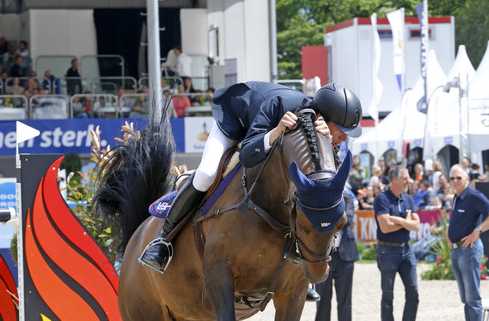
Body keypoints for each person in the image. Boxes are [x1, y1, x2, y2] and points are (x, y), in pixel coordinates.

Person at [139, 81, 363, 273]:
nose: (343, 138)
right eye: (341, 131)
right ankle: (162, 241)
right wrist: (275, 131)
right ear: (323, 117)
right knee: (207, 173)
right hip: (235, 123)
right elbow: (247, 155)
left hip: (259, 129)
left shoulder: (317, 127)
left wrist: (327, 144)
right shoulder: (279, 104)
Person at [447, 164, 489, 321]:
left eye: (458, 178)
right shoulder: (458, 197)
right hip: (457, 250)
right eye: (452, 178)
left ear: (466, 179)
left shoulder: (473, 195)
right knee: (466, 296)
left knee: (472, 296)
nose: (455, 181)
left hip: (468, 250)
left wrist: (477, 231)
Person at [302, 185, 358, 321]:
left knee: (344, 301)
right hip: (324, 255)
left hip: (344, 255)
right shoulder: (321, 198)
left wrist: (325, 219)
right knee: (322, 300)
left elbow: (346, 219)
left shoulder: (348, 196)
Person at [373, 165, 423, 321]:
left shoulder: (408, 199)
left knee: (413, 293)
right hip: (387, 251)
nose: (408, 181)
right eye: (405, 178)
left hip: (406, 250)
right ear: (394, 180)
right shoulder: (382, 199)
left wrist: (398, 220)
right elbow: (385, 227)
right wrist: (407, 221)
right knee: (388, 295)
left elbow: (417, 227)